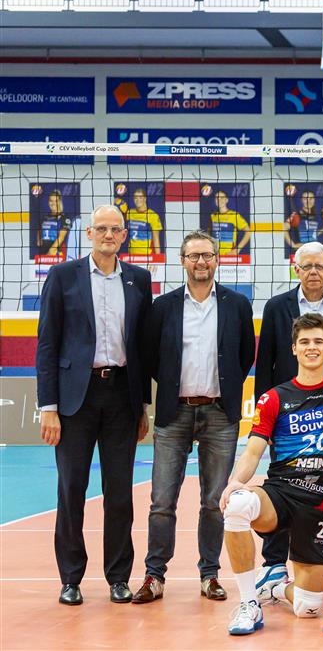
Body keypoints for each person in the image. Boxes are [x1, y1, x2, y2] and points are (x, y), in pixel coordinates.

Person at [37, 204, 152, 606]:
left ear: (124, 235)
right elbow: (47, 343)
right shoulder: (62, 276)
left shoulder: (139, 279)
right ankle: (70, 579)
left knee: (119, 493)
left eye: (115, 229)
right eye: (101, 228)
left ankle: (118, 577)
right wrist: (48, 406)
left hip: (121, 395)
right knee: (71, 489)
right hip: (75, 398)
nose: (108, 235)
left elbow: (141, 348)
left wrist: (142, 405)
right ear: (88, 234)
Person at [134, 231, 255, 604]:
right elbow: (150, 357)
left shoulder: (237, 304)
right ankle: (154, 576)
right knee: (161, 501)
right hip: (175, 410)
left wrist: (223, 388)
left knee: (214, 501)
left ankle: (209, 575)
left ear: (217, 259)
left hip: (220, 411)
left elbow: (245, 355)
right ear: (183, 261)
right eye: (193, 256)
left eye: (207, 255)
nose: (201, 262)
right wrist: (173, 384)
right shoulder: (163, 306)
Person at [219, 313, 323, 635]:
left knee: (308, 607)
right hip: (281, 492)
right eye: (305, 342)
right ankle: (248, 603)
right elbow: (253, 451)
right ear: (294, 348)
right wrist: (235, 483)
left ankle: (274, 586)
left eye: (318, 342)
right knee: (238, 505)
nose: (312, 347)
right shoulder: (274, 397)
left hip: (318, 501)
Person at [253, 240, 323, 595]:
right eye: (306, 266)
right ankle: (273, 563)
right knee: (281, 481)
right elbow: (265, 363)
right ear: (295, 270)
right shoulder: (276, 306)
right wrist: (265, 418)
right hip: (287, 412)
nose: (313, 272)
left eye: (319, 266)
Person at [122, 187, 162, 256]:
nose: (138, 200)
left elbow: (156, 239)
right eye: (135, 198)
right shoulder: (129, 213)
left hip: (147, 255)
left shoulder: (153, 215)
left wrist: (158, 258)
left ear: (145, 199)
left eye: (140, 197)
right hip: (131, 255)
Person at [208, 190, 250, 257]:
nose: (219, 199)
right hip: (215, 255)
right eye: (217, 198)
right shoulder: (212, 216)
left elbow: (248, 232)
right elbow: (209, 235)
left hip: (229, 256)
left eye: (222, 197)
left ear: (226, 200)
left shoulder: (234, 215)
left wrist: (237, 249)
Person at [35, 189, 72, 257]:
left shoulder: (65, 218)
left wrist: (51, 252)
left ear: (59, 202)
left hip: (56, 254)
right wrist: (39, 240)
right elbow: (39, 230)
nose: (53, 203)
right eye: (51, 201)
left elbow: (61, 237)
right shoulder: (44, 217)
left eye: (56, 201)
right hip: (43, 253)